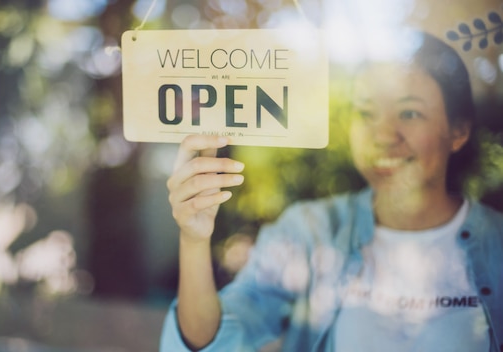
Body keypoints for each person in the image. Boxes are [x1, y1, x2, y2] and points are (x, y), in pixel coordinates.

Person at [159, 30, 503, 352]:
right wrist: (193, 239)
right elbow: (213, 341)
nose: (383, 134)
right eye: (365, 112)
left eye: (409, 112)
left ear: (458, 131)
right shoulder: (309, 232)